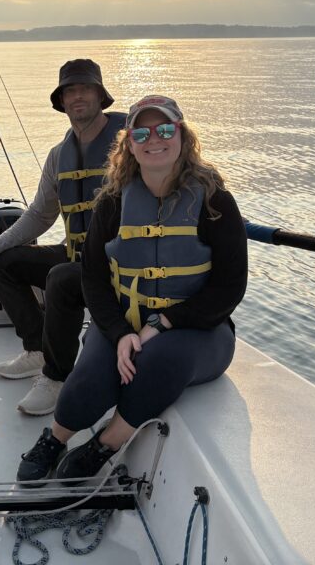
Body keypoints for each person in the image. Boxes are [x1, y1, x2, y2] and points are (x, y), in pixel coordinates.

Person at [16, 95, 247, 483]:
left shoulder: (215, 201)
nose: (154, 138)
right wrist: (120, 332)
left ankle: (105, 443)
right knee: (89, 379)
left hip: (200, 331)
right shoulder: (112, 203)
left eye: (165, 129)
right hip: (123, 321)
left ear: (182, 136)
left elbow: (229, 288)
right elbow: (93, 277)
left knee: (157, 362)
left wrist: (163, 322)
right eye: (142, 131)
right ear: (129, 143)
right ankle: (54, 439)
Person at [0, 59, 126, 416]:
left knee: (61, 278)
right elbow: (39, 215)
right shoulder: (58, 157)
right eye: (70, 90)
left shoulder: (130, 144)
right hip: (79, 257)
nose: (78, 96)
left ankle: (56, 375)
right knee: (6, 262)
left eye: (85, 88)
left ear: (101, 95)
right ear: (62, 101)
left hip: (122, 266)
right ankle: (37, 350)